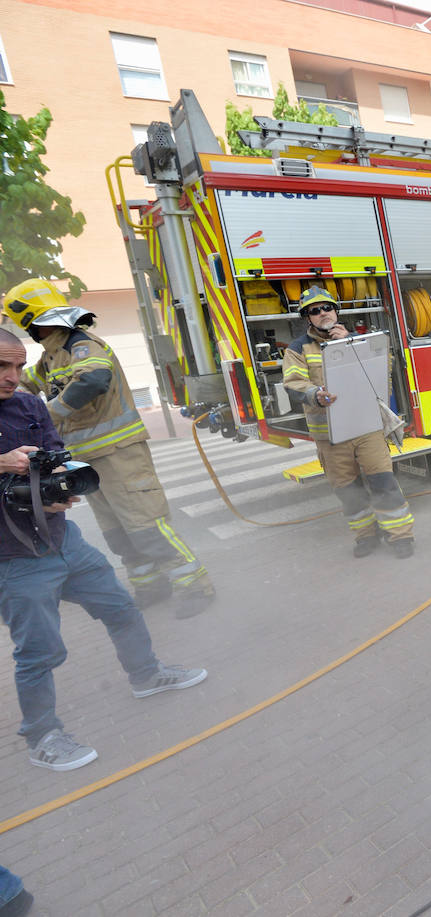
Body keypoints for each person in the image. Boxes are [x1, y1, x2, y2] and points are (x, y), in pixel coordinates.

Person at [0, 327, 206, 772]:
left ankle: (147, 674)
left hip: (62, 540)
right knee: (39, 652)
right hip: (13, 559)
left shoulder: (30, 404)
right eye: (3, 366)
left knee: (121, 608)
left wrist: (59, 484)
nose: (13, 376)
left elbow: (54, 451)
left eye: (18, 366)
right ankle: (43, 737)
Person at [3, 280, 215, 618]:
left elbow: (92, 380)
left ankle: (194, 584)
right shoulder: (51, 357)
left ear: (32, 318)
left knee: (146, 525)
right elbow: (25, 384)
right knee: (117, 532)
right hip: (87, 459)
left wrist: (49, 412)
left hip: (120, 454)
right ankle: (150, 584)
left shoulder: (81, 344)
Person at [281, 287, 415, 559]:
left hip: (367, 428)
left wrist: (351, 342)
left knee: (383, 482)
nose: (322, 314)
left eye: (326, 308)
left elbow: (381, 369)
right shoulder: (297, 349)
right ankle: (366, 536)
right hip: (331, 436)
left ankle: (400, 536)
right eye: (314, 311)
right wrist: (315, 394)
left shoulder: (359, 340)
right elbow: (294, 383)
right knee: (348, 491)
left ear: (336, 311)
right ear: (308, 318)